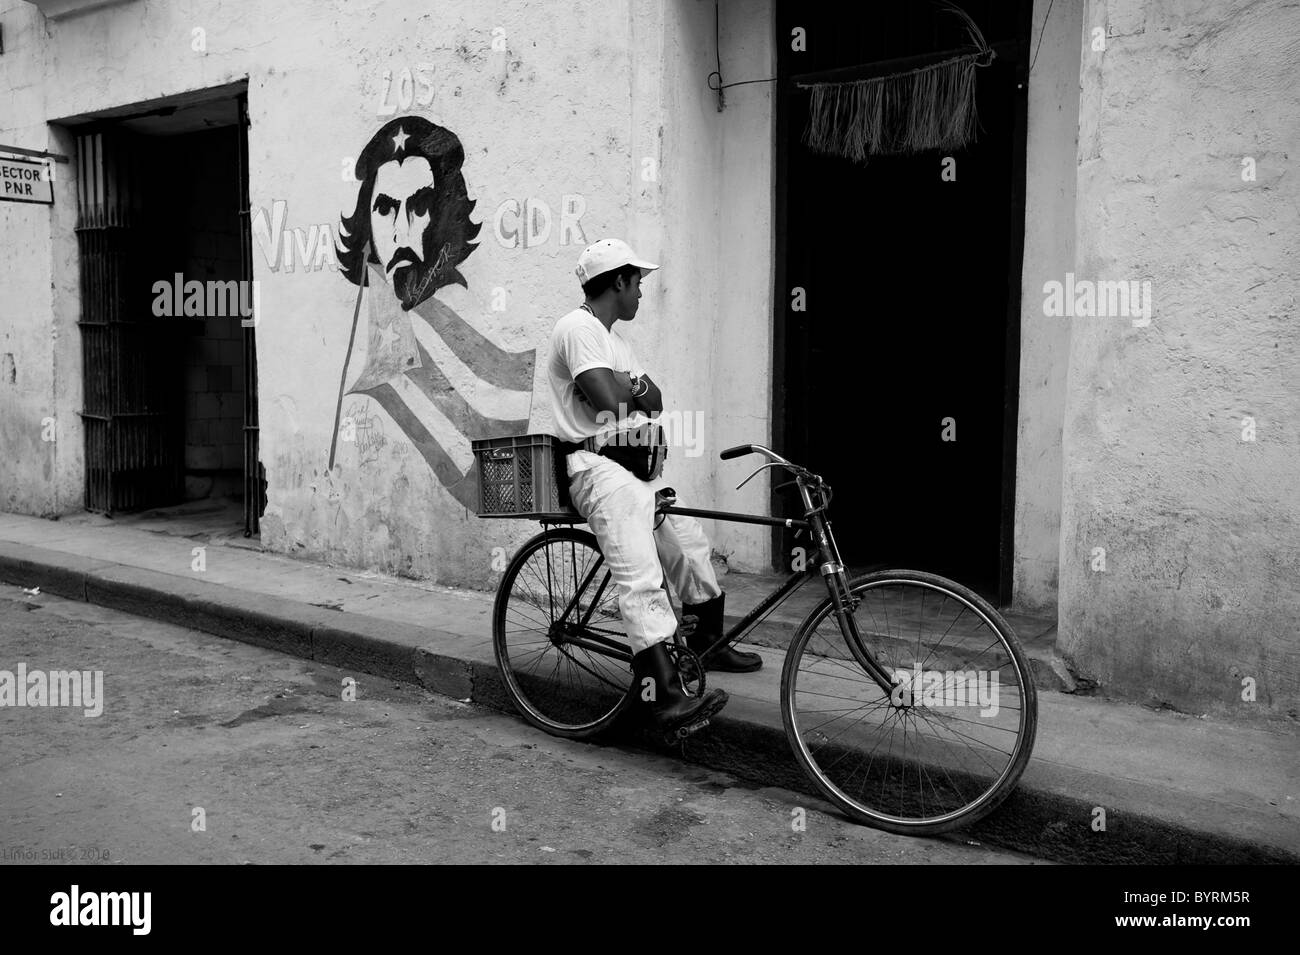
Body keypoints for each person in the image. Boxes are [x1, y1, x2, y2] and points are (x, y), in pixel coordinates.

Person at [546, 239, 762, 735]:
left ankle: (707, 643)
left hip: (639, 467)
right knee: (639, 575)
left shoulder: (616, 341)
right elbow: (607, 400)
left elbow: (655, 400)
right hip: (596, 467)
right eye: (638, 281)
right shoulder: (577, 329)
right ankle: (664, 696)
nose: (642, 290)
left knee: (689, 544)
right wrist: (628, 388)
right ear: (618, 281)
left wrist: (630, 387)